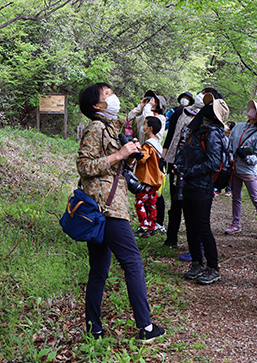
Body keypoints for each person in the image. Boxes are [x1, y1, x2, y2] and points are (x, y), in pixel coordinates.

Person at [76, 83, 165, 342]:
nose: (113, 97)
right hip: (107, 209)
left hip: (103, 207)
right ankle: (146, 327)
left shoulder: (109, 128)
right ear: (96, 105)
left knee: (99, 271)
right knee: (133, 263)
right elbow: (84, 166)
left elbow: (113, 164)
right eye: (107, 94)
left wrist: (128, 156)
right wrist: (119, 156)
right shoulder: (96, 127)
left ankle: (94, 330)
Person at [174, 95, 229, 285]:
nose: (205, 108)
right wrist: (179, 167)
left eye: (209, 106)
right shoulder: (197, 131)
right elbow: (184, 153)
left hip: (202, 187)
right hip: (189, 184)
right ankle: (197, 263)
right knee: (190, 226)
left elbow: (213, 163)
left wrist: (189, 172)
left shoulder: (212, 133)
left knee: (202, 227)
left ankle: (213, 268)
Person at [161, 89, 219, 252]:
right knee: (175, 202)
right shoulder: (180, 113)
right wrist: (165, 158)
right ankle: (171, 238)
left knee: (195, 212)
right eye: (202, 92)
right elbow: (171, 136)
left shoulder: (209, 123)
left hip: (196, 171)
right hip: (176, 163)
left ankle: (195, 248)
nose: (202, 95)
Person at [224, 101, 257, 239]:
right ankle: (235, 224)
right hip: (234, 169)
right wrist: (230, 156)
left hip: (248, 171)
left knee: (256, 199)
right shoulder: (238, 127)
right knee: (235, 197)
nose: (252, 112)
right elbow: (229, 143)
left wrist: (245, 157)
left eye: (255, 111)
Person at [133, 116, 164, 237]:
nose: (143, 127)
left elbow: (142, 159)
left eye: (145, 124)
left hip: (148, 179)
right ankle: (152, 226)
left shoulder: (148, 145)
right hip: (156, 179)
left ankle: (144, 227)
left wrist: (135, 148)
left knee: (139, 201)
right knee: (152, 203)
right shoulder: (157, 143)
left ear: (150, 128)